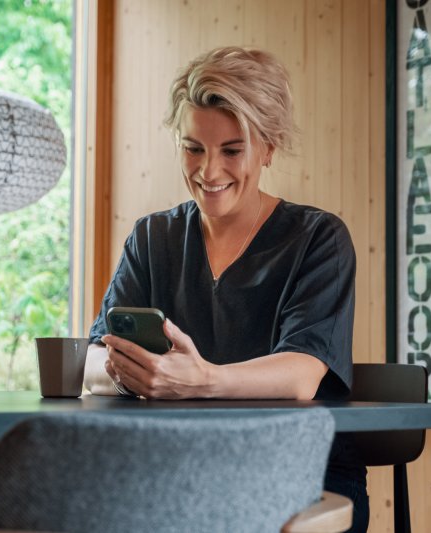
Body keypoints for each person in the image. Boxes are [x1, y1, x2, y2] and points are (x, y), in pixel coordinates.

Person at [83, 46, 368, 532]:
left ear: (269, 148)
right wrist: (136, 375)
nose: (208, 172)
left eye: (231, 150)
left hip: (301, 473)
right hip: (181, 471)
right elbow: (93, 360)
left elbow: (301, 375)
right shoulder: (153, 238)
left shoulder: (318, 238)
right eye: (193, 148)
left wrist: (199, 381)